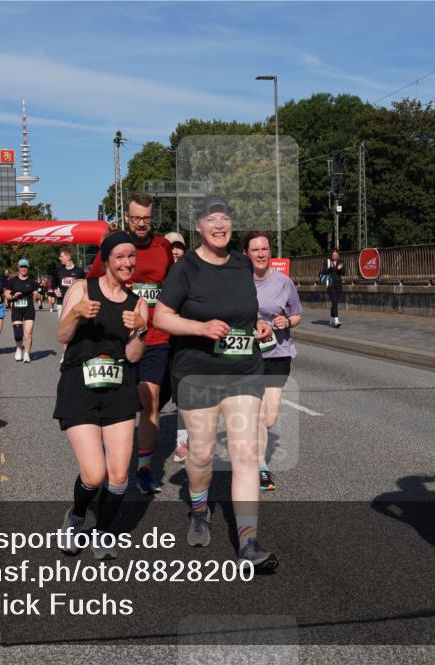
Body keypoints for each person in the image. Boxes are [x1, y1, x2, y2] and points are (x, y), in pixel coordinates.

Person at [154, 195, 277, 571]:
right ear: (199, 227)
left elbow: (246, 307)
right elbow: (161, 317)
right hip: (197, 371)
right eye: (211, 220)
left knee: (245, 454)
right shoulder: (186, 268)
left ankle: (248, 542)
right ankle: (198, 507)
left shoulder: (242, 264)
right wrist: (200, 327)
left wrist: (257, 324)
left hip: (243, 369)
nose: (219, 226)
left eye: (224, 219)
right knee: (202, 455)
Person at [54, 231, 148, 560]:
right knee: (95, 474)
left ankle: (105, 531)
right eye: (120, 257)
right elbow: (62, 337)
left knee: (120, 474)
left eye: (131, 257)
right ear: (106, 261)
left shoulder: (138, 303)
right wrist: (78, 313)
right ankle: (77, 516)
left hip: (119, 387)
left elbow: (135, 355)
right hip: (79, 385)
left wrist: (140, 329)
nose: (127, 263)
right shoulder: (82, 289)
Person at [88, 193, 174, 494]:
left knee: (149, 402)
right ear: (126, 216)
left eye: (147, 218)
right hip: (115, 339)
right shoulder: (112, 246)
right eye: (136, 217)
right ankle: (108, 459)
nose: (141, 223)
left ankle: (144, 468)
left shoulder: (163, 247)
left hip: (155, 337)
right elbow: (91, 284)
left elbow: (174, 288)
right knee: (115, 403)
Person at [244, 231, 302, 492]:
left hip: (278, 353)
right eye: (255, 249)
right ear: (247, 253)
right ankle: (260, 468)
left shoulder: (283, 282)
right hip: (248, 354)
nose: (260, 254)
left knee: (268, 417)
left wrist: (286, 321)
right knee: (256, 417)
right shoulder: (239, 282)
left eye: (264, 249)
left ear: (270, 252)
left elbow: (297, 314)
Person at [164, 231, 190, 462]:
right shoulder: (157, 273)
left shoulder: (193, 273)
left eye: (179, 247)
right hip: (159, 341)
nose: (175, 251)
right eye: (170, 247)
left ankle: (182, 440)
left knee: (185, 392)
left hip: (185, 340)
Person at [6, 258, 39, 362]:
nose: (24, 269)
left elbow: (36, 294)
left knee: (28, 333)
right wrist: (13, 296)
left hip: (29, 308)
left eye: (25, 267)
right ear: (18, 268)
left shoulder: (32, 281)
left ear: (28, 268)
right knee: (18, 333)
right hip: (16, 309)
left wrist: (38, 295)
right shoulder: (12, 281)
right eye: (22, 267)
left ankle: (27, 354)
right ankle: (19, 348)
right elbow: (7, 294)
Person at [52, 248, 85, 314]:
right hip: (61, 303)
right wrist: (56, 291)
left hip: (75, 303)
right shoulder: (58, 270)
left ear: (68, 257)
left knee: (75, 324)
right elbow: (53, 284)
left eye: (61, 256)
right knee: (63, 324)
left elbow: (84, 285)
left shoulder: (79, 271)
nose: (59, 258)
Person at [324, 248, 345, 328]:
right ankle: (336, 319)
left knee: (335, 302)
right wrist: (334, 268)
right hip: (330, 284)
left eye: (336, 255)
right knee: (334, 301)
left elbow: (343, 272)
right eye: (333, 255)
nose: (335, 256)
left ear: (338, 255)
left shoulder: (341, 261)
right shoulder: (328, 262)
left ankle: (332, 318)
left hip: (339, 285)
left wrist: (338, 269)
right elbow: (324, 271)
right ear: (331, 255)